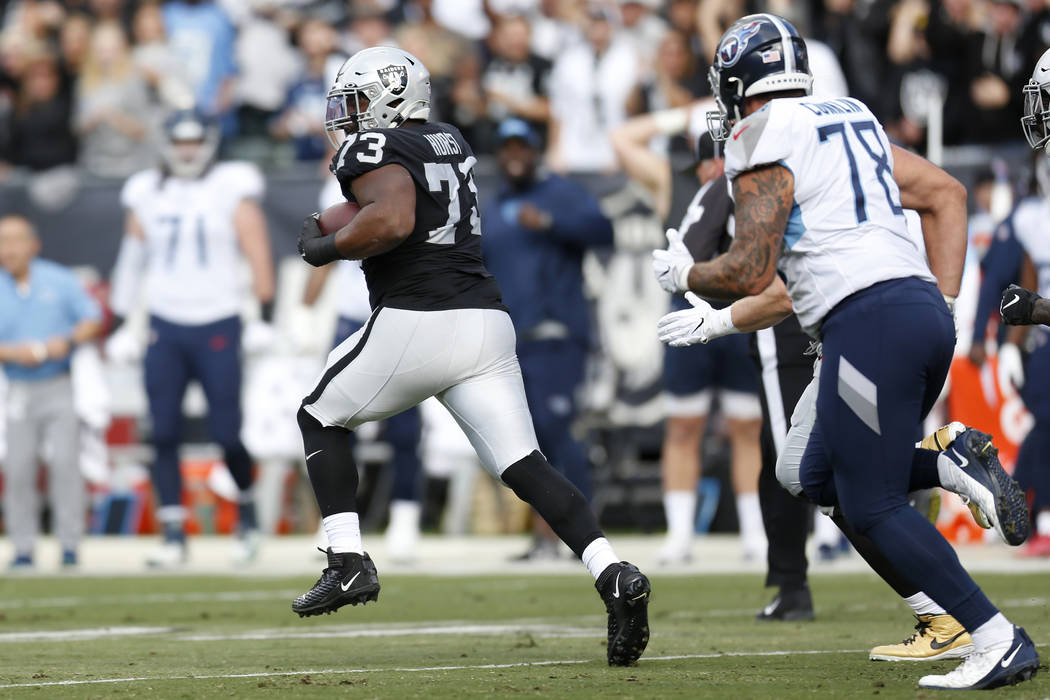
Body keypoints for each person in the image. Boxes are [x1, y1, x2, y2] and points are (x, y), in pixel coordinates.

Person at [655, 14, 1037, 689]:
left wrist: (686, 276)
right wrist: (941, 308)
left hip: (868, 325)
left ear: (739, 80)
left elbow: (748, 264)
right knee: (806, 470)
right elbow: (940, 196)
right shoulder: (851, 115)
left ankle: (994, 636)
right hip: (912, 310)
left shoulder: (759, 133)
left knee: (873, 504)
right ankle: (947, 465)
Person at [292, 46, 649, 667]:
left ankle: (348, 559)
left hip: (419, 318)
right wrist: (337, 221)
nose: (345, 117)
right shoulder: (446, 139)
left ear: (389, 97)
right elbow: (396, 203)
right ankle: (614, 573)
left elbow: (394, 218)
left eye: (354, 102)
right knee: (525, 466)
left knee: (319, 416)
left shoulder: (373, 150)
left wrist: (326, 248)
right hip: (486, 323)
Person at [107, 109, 275, 568]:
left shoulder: (232, 185)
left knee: (226, 432)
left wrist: (263, 314)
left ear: (209, 142)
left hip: (218, 320)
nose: (186, 150)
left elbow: (257, 248)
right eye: (178, 141)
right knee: (161, 431)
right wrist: (122, 321)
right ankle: (174, 532)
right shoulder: (146, 190)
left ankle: (246, 513)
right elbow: (132, 258)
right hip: (164, 321)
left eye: (193, 141)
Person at [481, 117, 613, 559]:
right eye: (507, 147)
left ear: (536, 150)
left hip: (557, 335)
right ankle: (544, 536)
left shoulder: (560, 193)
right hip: (510, 342)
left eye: (522, 146)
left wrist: (552, 223)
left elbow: (603, 230)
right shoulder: (493, 205)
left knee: (558, 431)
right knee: (527, 441)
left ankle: (583, 536)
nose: (514, 154)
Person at [302, 176, 425, 564]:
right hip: (351, 311)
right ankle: (340, 524)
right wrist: (305, 305)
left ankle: (406, 516)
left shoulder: (404, 174)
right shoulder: (336, 181)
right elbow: (329, 245)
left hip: (394, 307)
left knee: (404, 423)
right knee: (333, 420)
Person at [0, 215, 102, 569]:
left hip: (58, 383)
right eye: (2, 241)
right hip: (16, 387)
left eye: (15, 240)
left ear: (33, 244)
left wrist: (68, 340)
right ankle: (23, 546)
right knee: (18, 467)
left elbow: (92, 318)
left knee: (65, 465)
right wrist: (16, 352)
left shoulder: (58, 280)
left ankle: (70, 543)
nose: (8, 249)